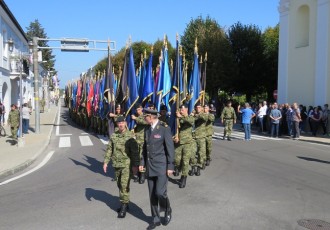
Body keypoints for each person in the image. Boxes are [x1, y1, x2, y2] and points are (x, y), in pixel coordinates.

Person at [139, 108, 174, 229]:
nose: (144, 118)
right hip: (150, 166)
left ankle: (167, 208)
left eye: (145, 116)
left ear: (151, 116)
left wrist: (170, 166)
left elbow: (170, 149)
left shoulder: (164, 128)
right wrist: (142, 162)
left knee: (160, 192)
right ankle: (155, 219)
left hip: (161, 166)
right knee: (152, 194)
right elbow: (144, 148)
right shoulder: (147, 129)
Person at [103, 115, 139, 218]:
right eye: (119, 123)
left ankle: (123, 206)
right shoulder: (114, 136)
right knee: (119, 184)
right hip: (116, 164)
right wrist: (106, 162)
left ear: (126, 124)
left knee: (124, 186)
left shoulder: (130, 136)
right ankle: (126, 202)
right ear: (117, 124)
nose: (121, 125)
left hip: (126, 165)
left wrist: (135, 166)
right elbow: (109, 149)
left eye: (122, 123)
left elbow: (135, 152)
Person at [173, 103, 194, 188]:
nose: (181, 111)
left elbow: (190, 121)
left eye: (182, 110)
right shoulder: (177, 118)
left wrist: (180, 117)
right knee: (177, 160)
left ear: (186, 110)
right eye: (180, 110)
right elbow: (174, 128)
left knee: (185, 161)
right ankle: (178, 169)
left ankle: (184, 177)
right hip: (178, 143)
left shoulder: (190, 117)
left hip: (187, 143)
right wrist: (174, 136)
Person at [131, 103, 149, 184]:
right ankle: (136, 174)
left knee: (142, 158)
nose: (137, 111)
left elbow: (146, 122)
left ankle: (142, 175)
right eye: (136, 110)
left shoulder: (145, 116)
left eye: (138, 109)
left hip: (143, 140)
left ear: (141, 109)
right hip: (136, 140)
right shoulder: (134, 115)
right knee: (136, 158)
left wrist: (136, 119)